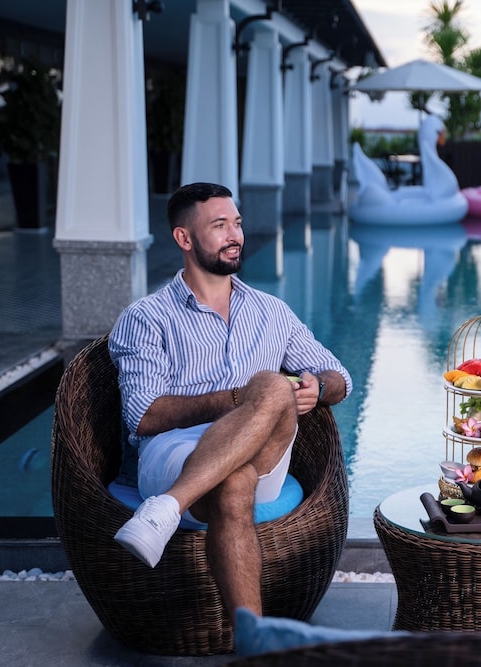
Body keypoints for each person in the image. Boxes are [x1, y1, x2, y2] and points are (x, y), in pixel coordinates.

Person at [109, 182, 351, 623]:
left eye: (236, 223)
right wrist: (238, 399)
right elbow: (142, 416)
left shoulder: (271, 311)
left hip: (263, 453)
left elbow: (340, 377)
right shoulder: (146, 318)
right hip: (174, 452)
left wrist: (318, 386)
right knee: (236, 477)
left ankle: (166, 508)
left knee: (274, 387)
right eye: (219, 225)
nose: (234, 235)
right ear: (184, 238)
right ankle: (251, 641)